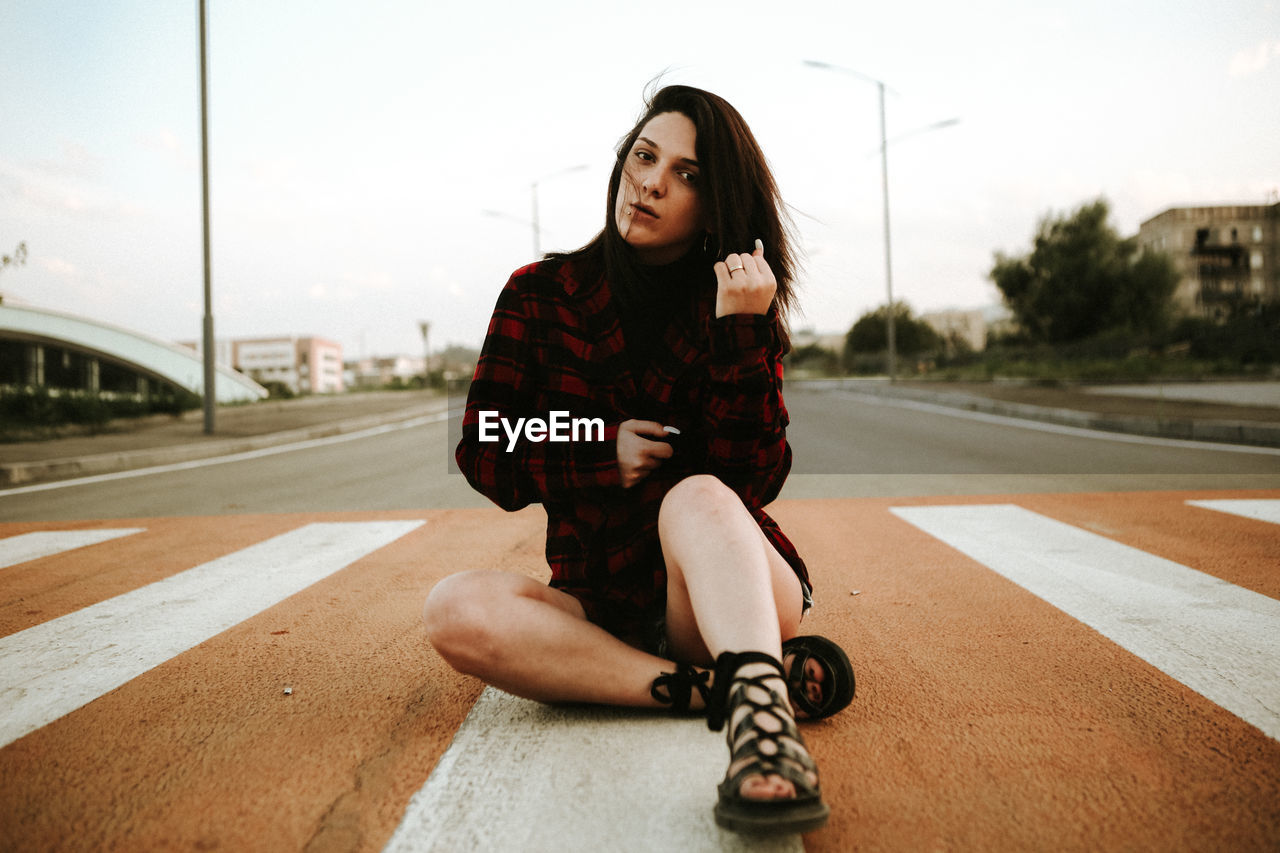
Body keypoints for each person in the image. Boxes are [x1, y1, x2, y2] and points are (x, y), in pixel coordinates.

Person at [424, 84, 854, 835]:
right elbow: (483, 445)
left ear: (716, 206)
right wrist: (596, 446)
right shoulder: (540, 295)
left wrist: (741, 336)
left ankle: (764, 738)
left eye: (686, 174)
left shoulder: (738, 305)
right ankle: (735, 688)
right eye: (645, 156)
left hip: (726, 587)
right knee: (454, 610)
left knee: (695, 496)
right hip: (601, 605)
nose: (651, 180)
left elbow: (752, 480)